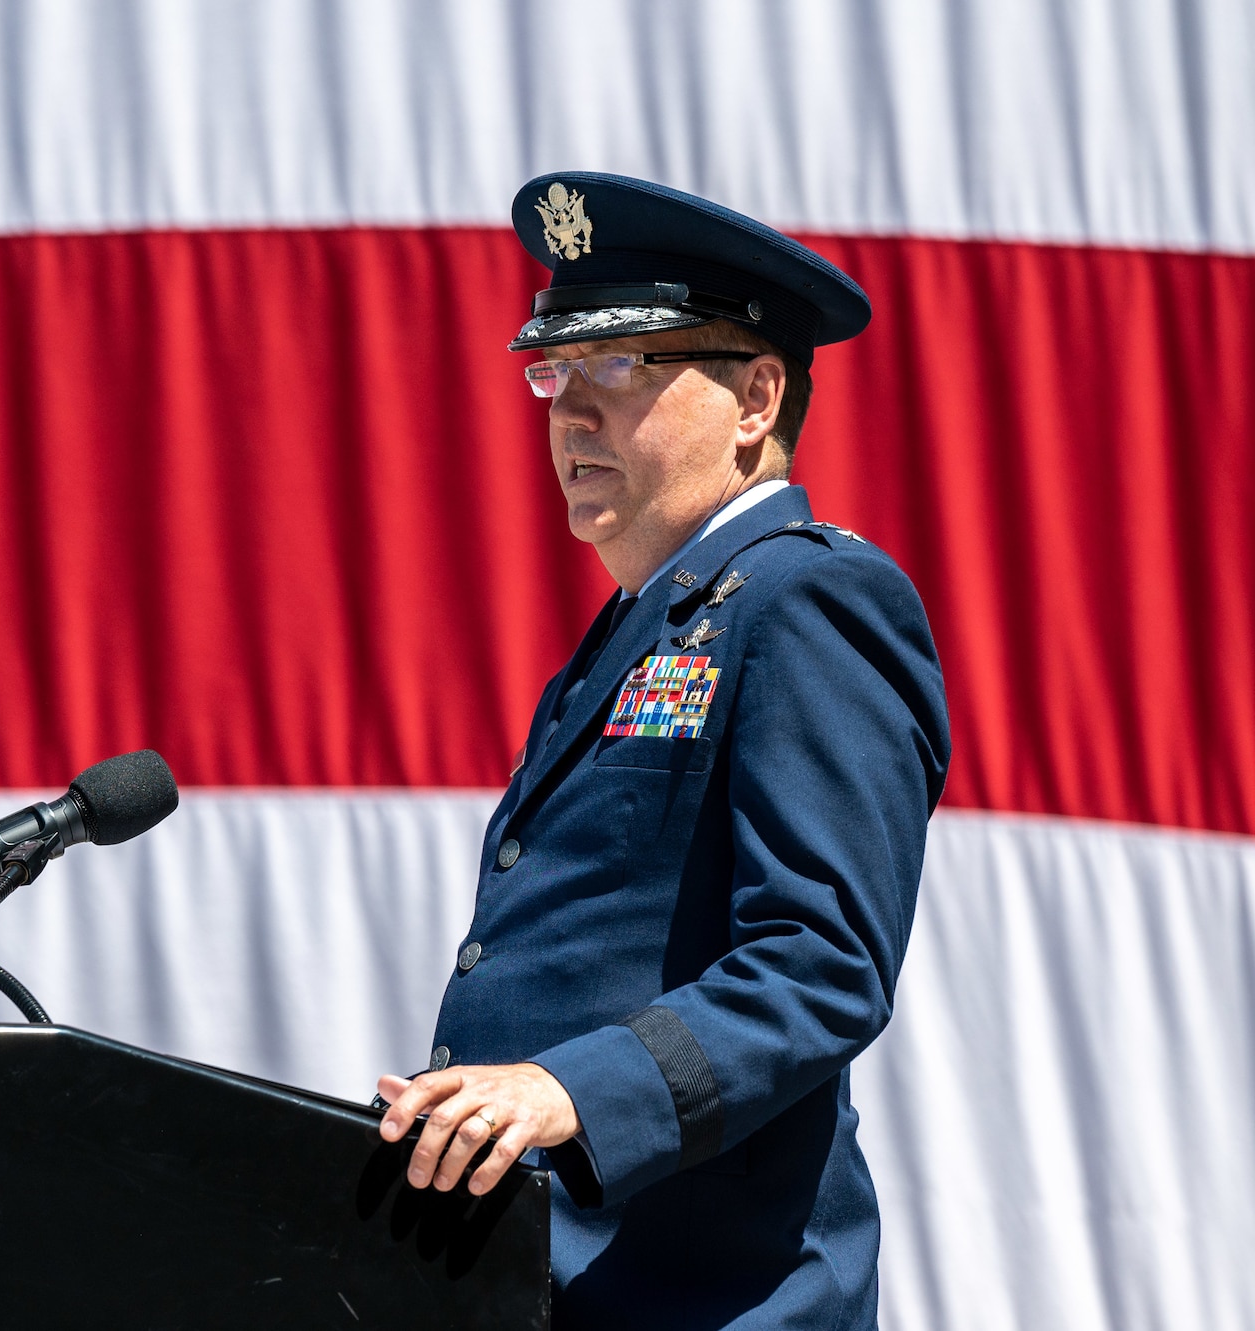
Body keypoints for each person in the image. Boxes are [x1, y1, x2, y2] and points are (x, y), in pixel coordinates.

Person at [375, 173, 952, 1329]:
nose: (569, 413)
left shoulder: (810, 598)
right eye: (555, 372)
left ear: (756, 396)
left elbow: (820, 962)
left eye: (621, 368)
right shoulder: (647, 626)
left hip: (716, 1301)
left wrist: (566, 1090)